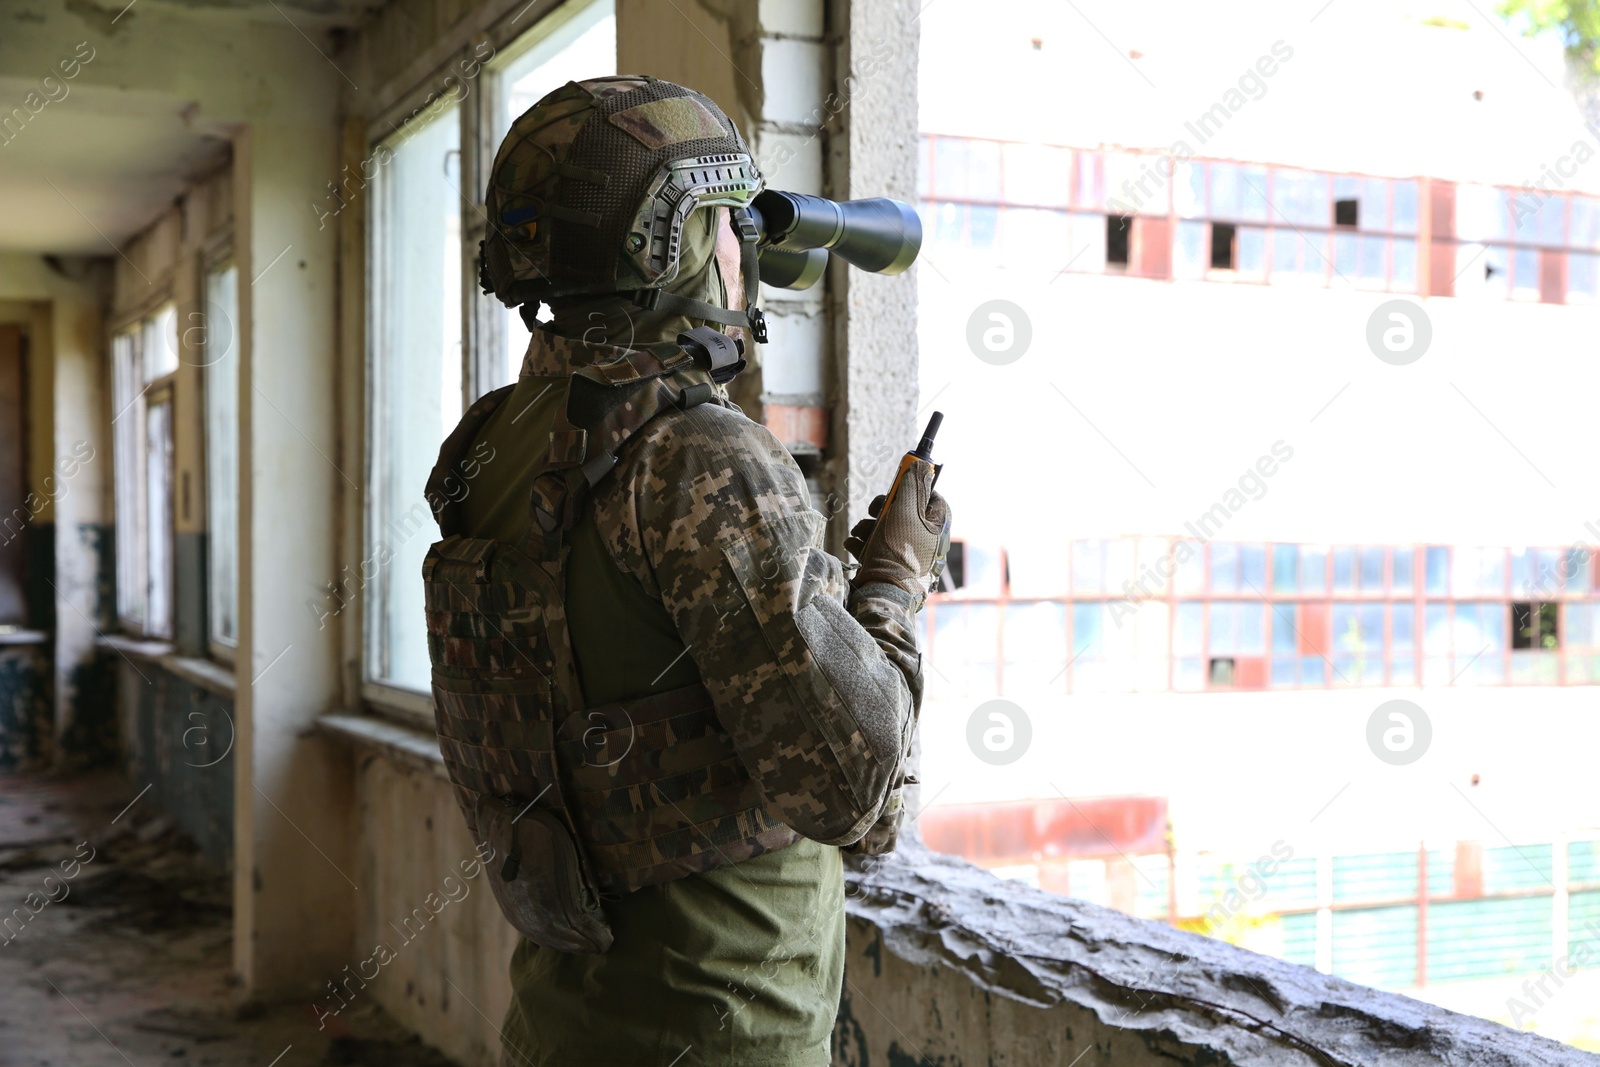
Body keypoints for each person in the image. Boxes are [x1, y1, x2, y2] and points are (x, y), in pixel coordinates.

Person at [421, 74, 950, 1067]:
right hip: (721, 1027)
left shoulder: (492, 443)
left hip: (559, 1021)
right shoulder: (699, 454)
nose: (747, 249)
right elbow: (850, 786)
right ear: (679, 239)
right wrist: (893, 578)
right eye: (730, 220)